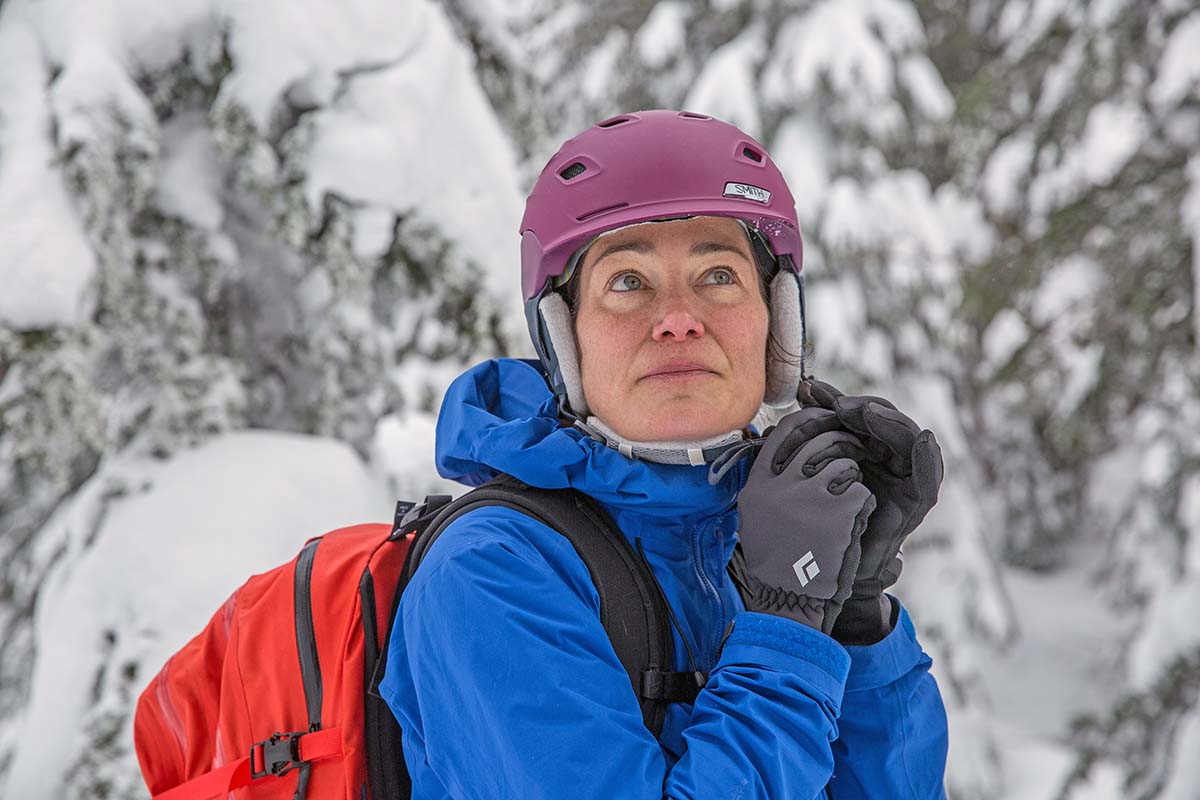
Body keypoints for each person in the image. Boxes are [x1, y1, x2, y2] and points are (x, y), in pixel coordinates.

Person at [379, 110, 949, 799]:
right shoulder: (493, 571)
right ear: (567, 340)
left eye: (717, 275)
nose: (678, 316)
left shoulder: (762, 533)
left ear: (778, 323)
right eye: (628, 282)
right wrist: (785, 623)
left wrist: (856, 613)